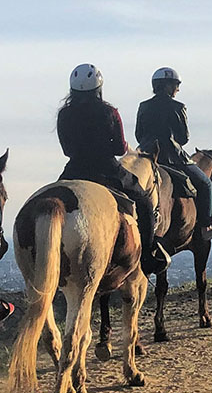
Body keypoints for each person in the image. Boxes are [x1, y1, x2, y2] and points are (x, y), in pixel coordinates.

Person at [57, 64, 170, 275]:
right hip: (106, 169)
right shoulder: (109, 112)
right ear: (98, 88)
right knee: (144, 202)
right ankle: (147, 258)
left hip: (74, 170)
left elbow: (67, 150)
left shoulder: (64, 114)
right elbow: (119, 148)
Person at [135, 67, 212, 240]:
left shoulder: (143, 106)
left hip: (146, 155)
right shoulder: (178, 106)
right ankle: (206, 226)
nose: (177, 89)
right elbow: (183, 138)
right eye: (176, 85)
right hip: (173, 158)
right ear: (167, 86)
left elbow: (139, 134)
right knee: (206, 184)